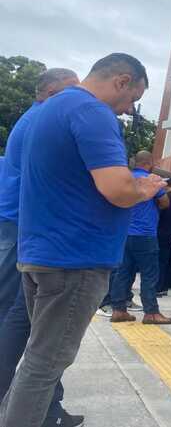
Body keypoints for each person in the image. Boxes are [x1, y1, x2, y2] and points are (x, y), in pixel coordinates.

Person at [0, 54, 165, 427]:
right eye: (132, 99)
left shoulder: (47, 110)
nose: (128, 110)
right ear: (122, 81)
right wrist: (146, 187)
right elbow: (117, 189)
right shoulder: (92, 113)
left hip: (42, 250)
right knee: (45, 365)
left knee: (36, 361)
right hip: (74, 259)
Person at [0, 68, 81, 427]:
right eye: (71, 90)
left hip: (20, 223)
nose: (78, 98)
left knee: (30, 319)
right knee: (23, 319)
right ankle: (32, 407)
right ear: (50, 91)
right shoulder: (42, 120)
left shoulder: (33, 119)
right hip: (23, 224)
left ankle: (46, 407)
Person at [110, 151, 171, 324]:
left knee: (123, 273)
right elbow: (165, 202)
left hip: (125, 234)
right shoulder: (151, 179)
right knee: (149, 275)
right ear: (149, 162)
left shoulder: (126, 178)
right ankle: (151, 312)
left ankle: (118, 309)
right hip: (145, 234)